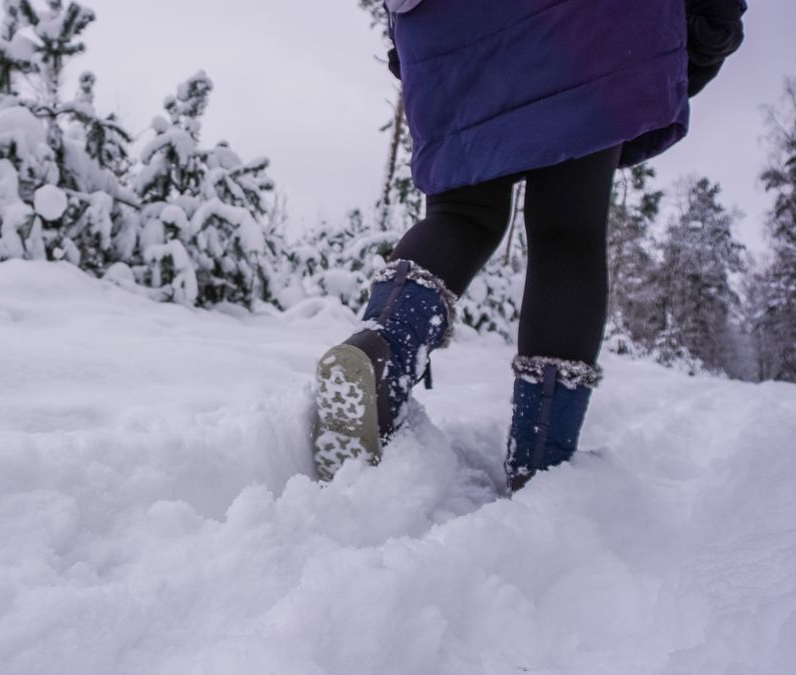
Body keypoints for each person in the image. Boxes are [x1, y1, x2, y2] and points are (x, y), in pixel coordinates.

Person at [313, 0, 747, 490]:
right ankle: (542, 463)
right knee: (566, 230)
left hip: (446, 26)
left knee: (461, 214)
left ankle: (382, 349)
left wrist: (411, 47)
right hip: (589, 23)